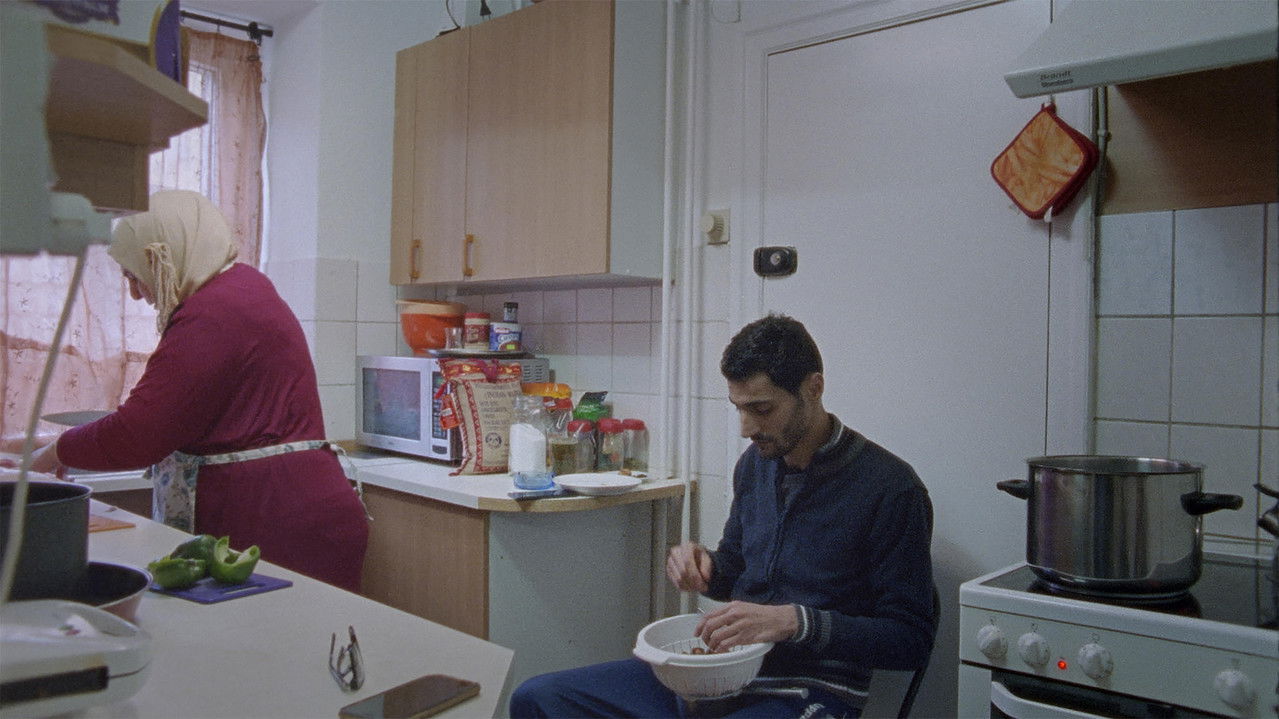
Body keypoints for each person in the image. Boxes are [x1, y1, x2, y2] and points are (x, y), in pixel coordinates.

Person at [510, 314, 936, 718]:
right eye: (738, 408)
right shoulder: (756, 465)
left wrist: (794, 621)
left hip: (811, 688)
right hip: (719, 670)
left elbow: (910, 640)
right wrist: (705, 568)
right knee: (539, 699)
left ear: (814, 388)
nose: (746, 428)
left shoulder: (890, 488)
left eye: (762, 409)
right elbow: (735, 569)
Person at [30, 190, 369, 592]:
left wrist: (54, 452)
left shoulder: (215, 312)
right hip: (286, 511)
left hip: (280, 522)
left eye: (134, 275)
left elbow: (138, 434)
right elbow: (171, 416)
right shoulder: (238, 290)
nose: (136, 293)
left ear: (163, 256)